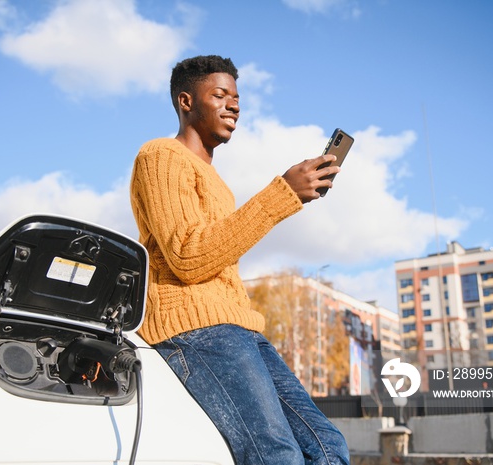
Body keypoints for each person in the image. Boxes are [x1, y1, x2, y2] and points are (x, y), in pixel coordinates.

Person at [129, 54, 350, 465]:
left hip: (239, 328)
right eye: (220, 94)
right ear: (185, 101)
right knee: (276, 455)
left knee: (327, 446)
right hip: (195, 328)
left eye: (237, 97)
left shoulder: (219, 183)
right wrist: (282, 194)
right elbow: (187, 257)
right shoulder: (160, 156)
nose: (234, 105)